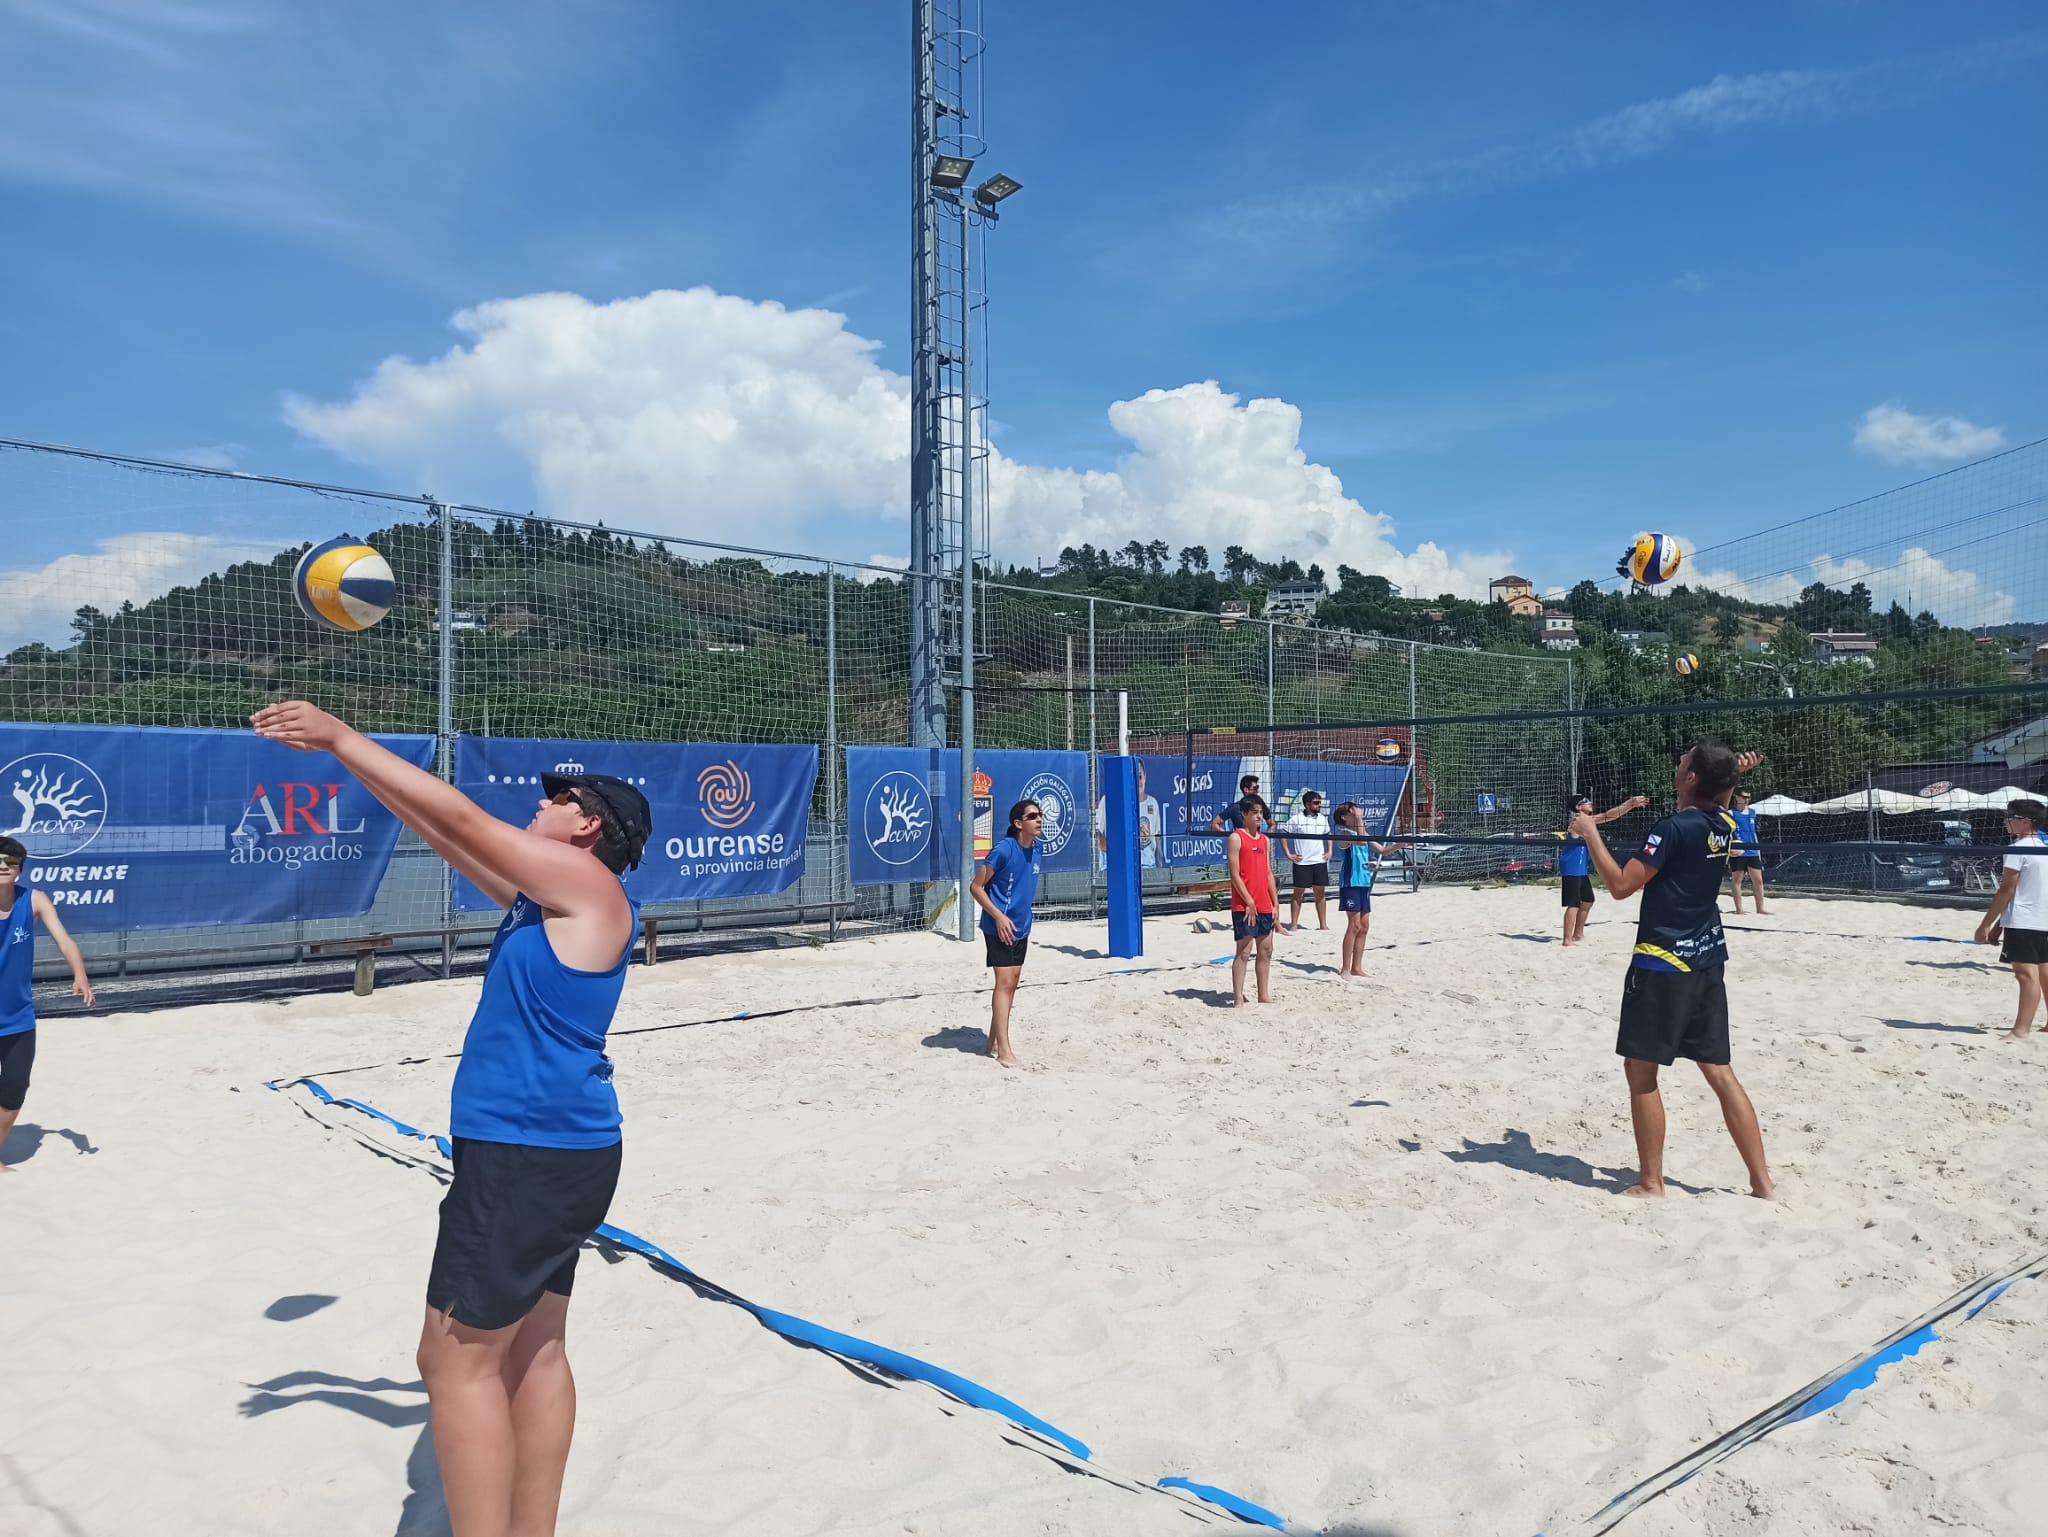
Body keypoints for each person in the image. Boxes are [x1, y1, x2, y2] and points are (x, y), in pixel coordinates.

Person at [250, 700, 650, 1537]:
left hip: (525, 1154)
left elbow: (465, 818)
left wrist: (343, 734)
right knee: (534, 1349)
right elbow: (449, 834)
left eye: (559, 798)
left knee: (453, 1361)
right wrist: (349, 763)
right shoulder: (548, 901)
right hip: (556, 1152)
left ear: (588, 826)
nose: (540, 801)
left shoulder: (589, 886)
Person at [1571, 742, 1773, 1200]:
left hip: (1663, 962)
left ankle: (1651, 1183)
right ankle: (1763, 1184)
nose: (1678, 764)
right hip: (1707, 958)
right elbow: (1718, 799)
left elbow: (1621, 886)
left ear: (1692, 777)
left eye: (1684, 762)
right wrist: (1730, 774)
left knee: (1641, 1072)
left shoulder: (1672, 828)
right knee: (1720, 1073)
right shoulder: (1724, 822)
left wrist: (1590, 833)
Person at [0, 836, 96, 1172]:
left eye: (10, 862)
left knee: (14, 1091)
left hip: (18, 1018)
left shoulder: (34, 900)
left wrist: (80, 975)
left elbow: (66, 941)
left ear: (19, 869)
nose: (3, 866)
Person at [972, 799, 1043, 1067]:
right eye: (1032, 816)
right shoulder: (1004, 849)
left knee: (1012, 983)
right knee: (1003, 983)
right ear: (1018, 823)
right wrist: (999, 917)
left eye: (1040, 815)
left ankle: (992, 1042)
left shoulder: (1038, 848)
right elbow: (976, 887)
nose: (1039, 819)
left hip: (1021, 925)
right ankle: (1004, 1050)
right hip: (999, 926)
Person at [1974, 798, 2048, 1039]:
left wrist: (1985, 925)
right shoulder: (2044, 847)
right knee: (2044, 972)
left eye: (2010, 817)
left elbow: (2007, 890)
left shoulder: (2018, 848)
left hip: (2024, 921)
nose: (2006, 821)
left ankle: (2020, 1030)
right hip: (2042, 918)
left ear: (2026, 821)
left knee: (2026, 975)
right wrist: (2000, 925)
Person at [1559, 792, 1649, 946]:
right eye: (1585, 801)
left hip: (1580, 869)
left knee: (1588, 901)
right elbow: (1609, 816)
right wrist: (1630, 803)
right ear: (1578, 807)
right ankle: (1567, 940)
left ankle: (1578, 934)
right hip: (1571, 869)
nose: (1590, 802)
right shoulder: (1577, 823)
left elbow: (1609, 816)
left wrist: (1631, 804)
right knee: (1574, 904)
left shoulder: (1587, 822)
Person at [1330, 802, 1391, 978]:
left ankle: (1357, 967)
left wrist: (1401, 845)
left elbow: (1383, 851)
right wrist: (1358, 818)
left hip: (1364, 883)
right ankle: (1345, 968)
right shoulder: (1344, 834)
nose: (1359, 813)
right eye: (1353, 812)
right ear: (1344, 817)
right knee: (1354, 925)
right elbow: (1361, 841)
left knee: (1364, 926)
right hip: (1350, 884)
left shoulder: (1363, 833)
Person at [1226, 800, 1278, 1007]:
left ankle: (1263, 994)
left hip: (1264, 903)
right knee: (1244, 951)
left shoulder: (1265, 840)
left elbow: (1268, 873)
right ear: (1244, 814)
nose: (1259, 816)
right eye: (1255, 812)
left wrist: (1275, 903)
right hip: (1244, 905)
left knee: (1266, 950)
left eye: (1261, 812)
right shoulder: (1236, 838)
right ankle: (1238, 997)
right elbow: (1234, 875)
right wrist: (1249, 900)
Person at [1281, 789, 1334, 934]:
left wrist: (1330, 850)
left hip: (1319, 861)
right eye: (1316, 803)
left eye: (1319, 803)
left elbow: (1328, 834)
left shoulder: (1322, 818)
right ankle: (1294, 925)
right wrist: (1288, 854)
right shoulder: (1296, 819)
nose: (1319, 805)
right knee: (1298, 893)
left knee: (1320, 893)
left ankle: (1323, 924)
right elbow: (1283, 834)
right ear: (1307, 804)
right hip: (1302, 862)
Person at [1094, 759, 1161, 870]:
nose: (1137, 781)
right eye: (1133, 777)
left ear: (1145, 777)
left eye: (1139, 777)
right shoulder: (1108, 800)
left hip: (1147, 866)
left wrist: (1160, 859)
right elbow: (1097, 832)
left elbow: (1157, 834)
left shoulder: (1152, 803)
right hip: (1116, 867)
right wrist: (1112, 851)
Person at [1726, 788, 1768, 915]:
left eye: (1749, 797)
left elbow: (1753, 833)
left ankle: (1760, 909)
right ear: (1737, 797)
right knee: (1737, 881)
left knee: (1758, 881)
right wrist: (1729, 848)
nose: (1747, 800)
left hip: (1752, 850)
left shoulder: (1752, 813)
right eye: (1744, 797)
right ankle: (1739, 909)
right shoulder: (1730, 813)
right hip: (1738, 850)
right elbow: (1726, 833)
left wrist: (1758, 851)